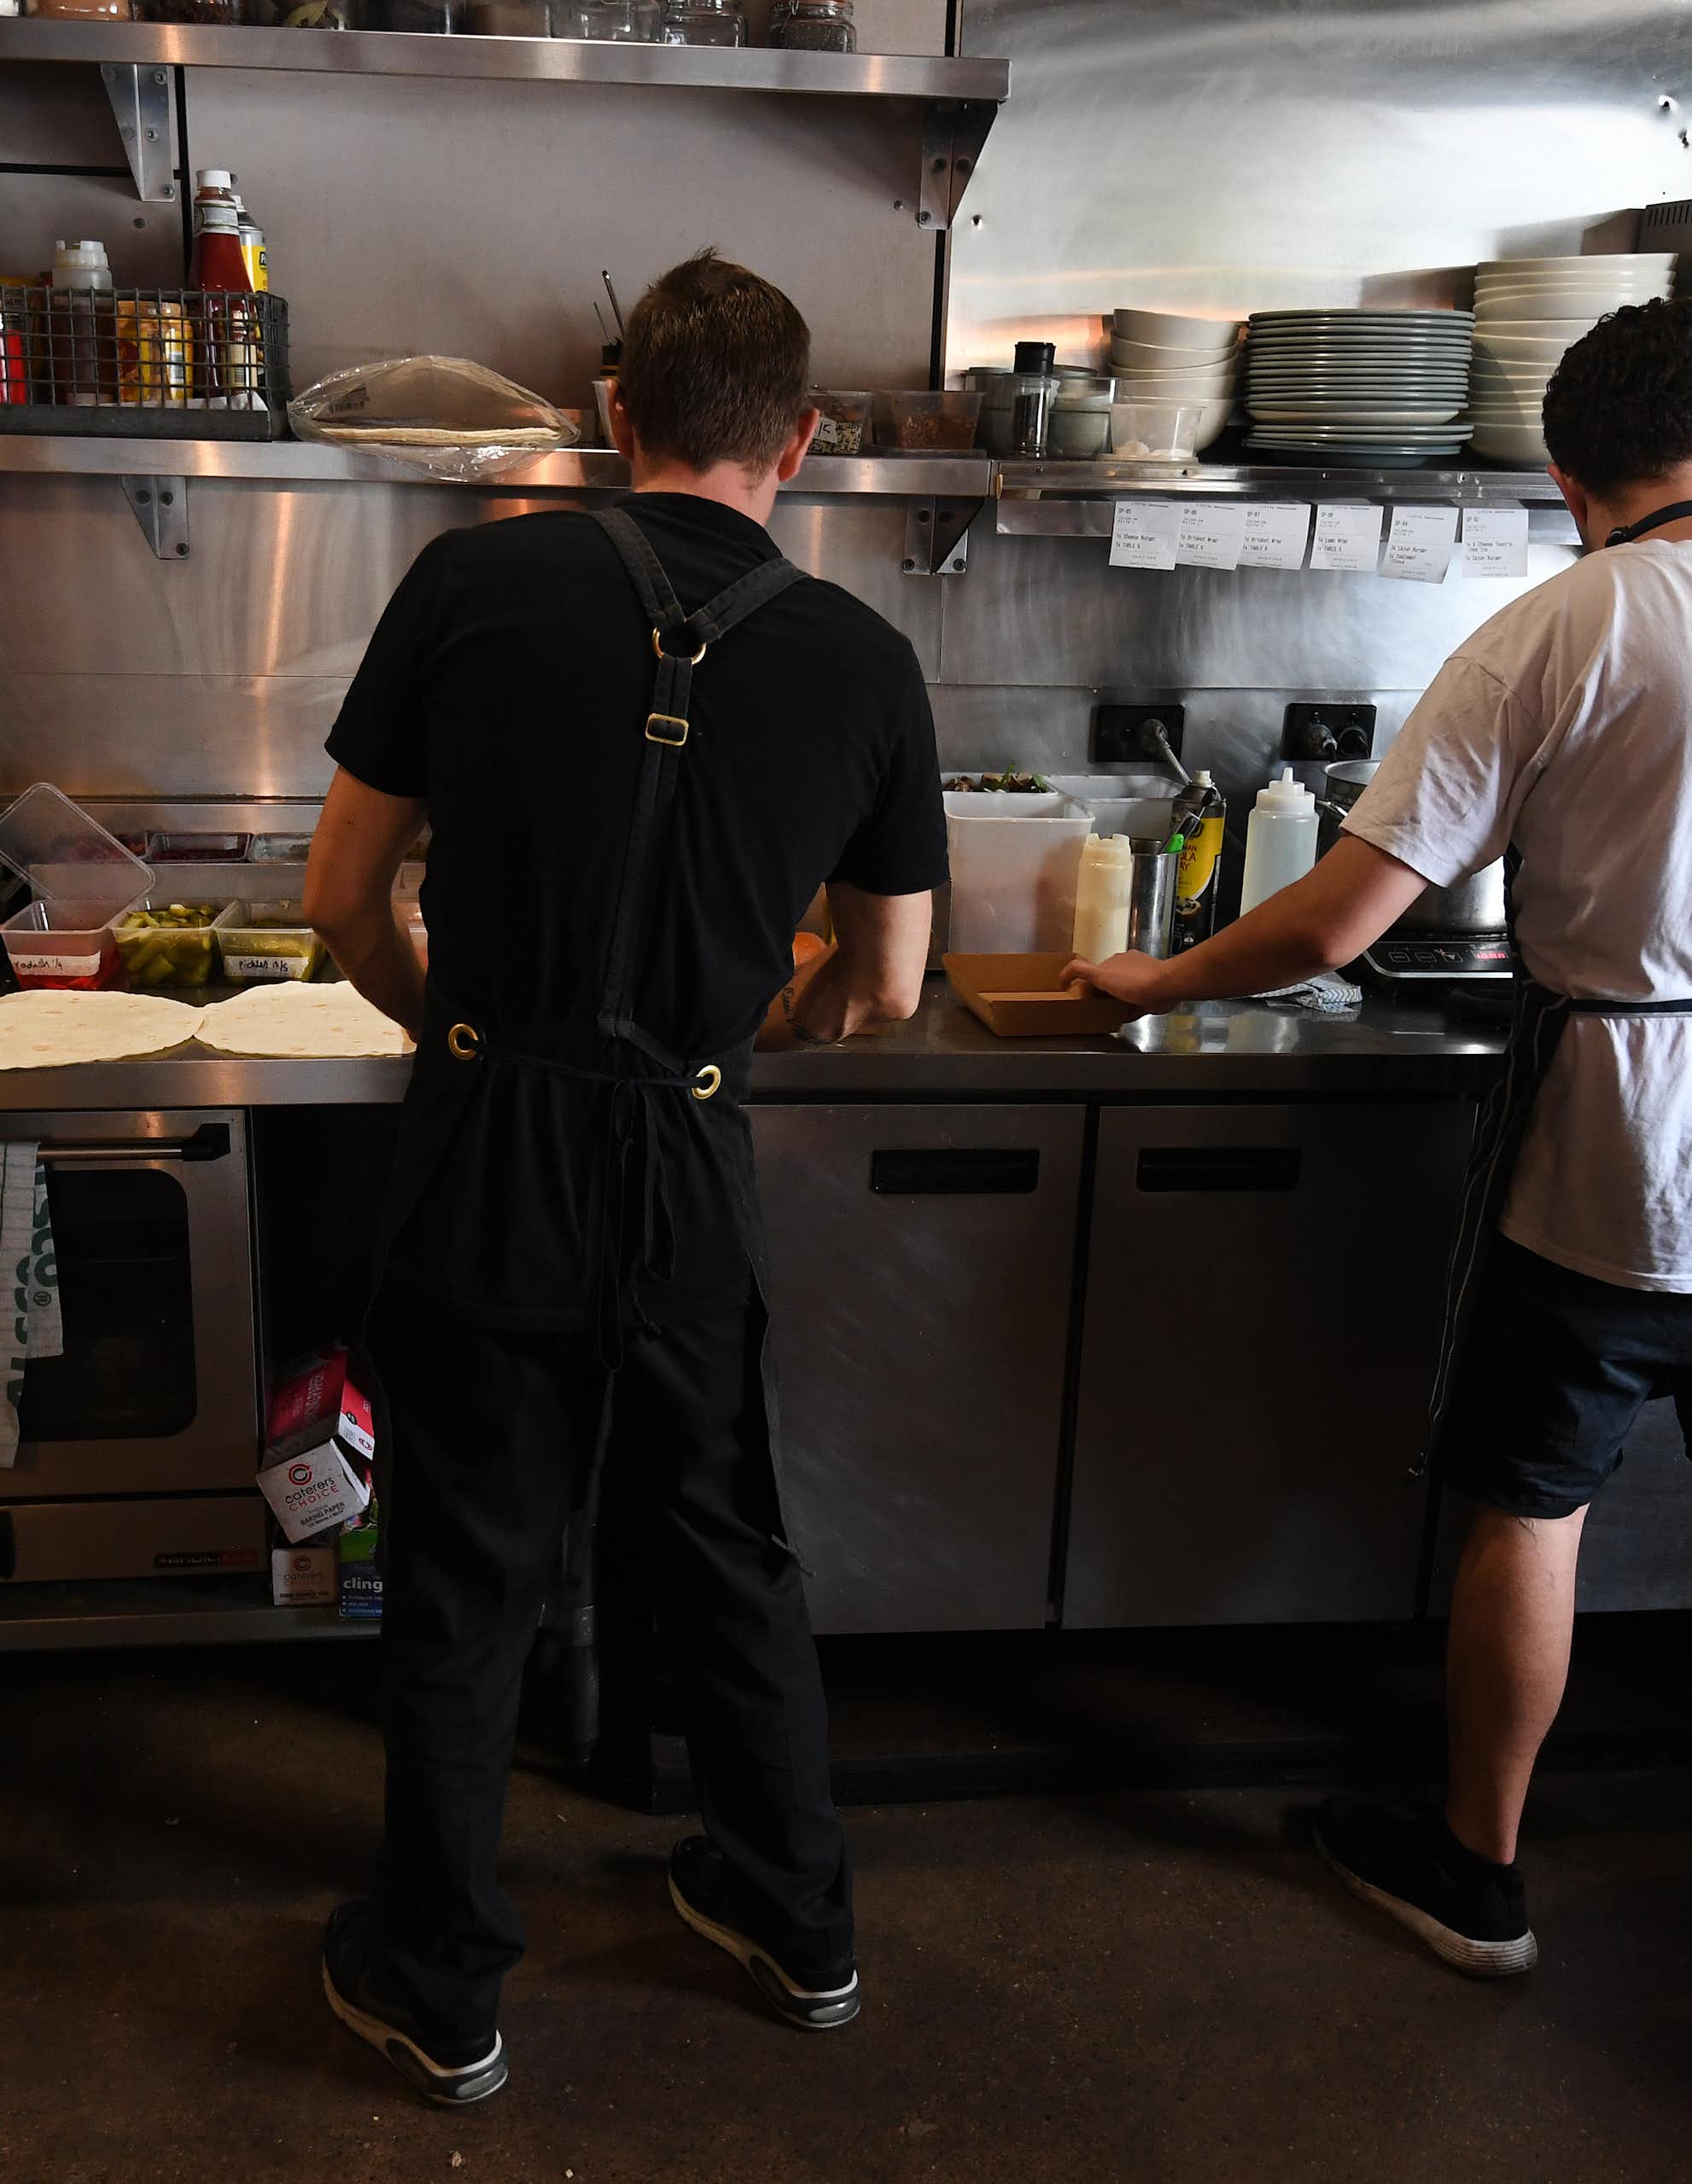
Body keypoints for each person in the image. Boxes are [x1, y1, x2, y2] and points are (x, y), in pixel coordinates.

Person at [1068, 298, 1692, 1977]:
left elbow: (1336, 924)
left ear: (1564, 478)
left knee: (1530, 1506)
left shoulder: (1551, 631)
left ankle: (1480, 1873)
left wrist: (1151, 978)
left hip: (1606, 1170)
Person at [303, 250, 946, 2105]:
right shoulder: (861, 657)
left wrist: (460, 1031)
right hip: (685, 1141)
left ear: (613, 417)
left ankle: (439, 1982)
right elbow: (887, 983)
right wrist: (754, 1024)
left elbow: (343, 898)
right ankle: (794, 1917)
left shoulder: (473, 578)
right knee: (723, 1542)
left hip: (490, 1139)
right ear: (802, 444)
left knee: (468, 1570)